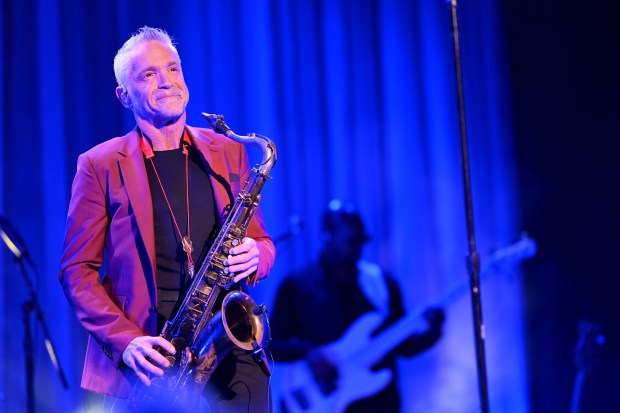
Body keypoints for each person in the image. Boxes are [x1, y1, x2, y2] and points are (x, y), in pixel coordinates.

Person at [58, 26, 275, 412]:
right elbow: (77, 272)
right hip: (155, 362)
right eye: (148, 74)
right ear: (124, 95)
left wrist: (259, 254)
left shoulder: (227, 151)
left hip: (230, 348)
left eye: (173, 69)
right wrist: (126, 341)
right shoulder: (99, 165)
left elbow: (261, 240)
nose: (167, 82)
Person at [270, 200, 444, 413]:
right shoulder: (296, 284)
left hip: (379, 403)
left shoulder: (381, 282)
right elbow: (272, 345)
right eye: (351, 241)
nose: (358, 248)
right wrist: (309, 352)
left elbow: (403, 346)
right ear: (328, 236)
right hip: (323, 402)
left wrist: (432, 333)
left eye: (361, 241)